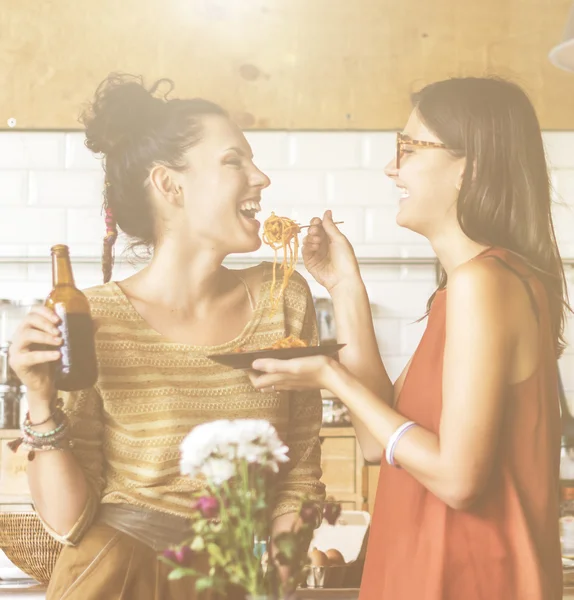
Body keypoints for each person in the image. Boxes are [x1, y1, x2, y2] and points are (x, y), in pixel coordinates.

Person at [8, 74, 325, 600]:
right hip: (116, 577)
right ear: (170, 185)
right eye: (234, 161)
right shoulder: (96, 318)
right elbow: (68, 522)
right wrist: (40, 399)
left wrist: (276, 579)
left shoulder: (283, 297)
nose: (261, 177)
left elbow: (301, 471)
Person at [249, 77, 569, 600]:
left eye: (409, 148)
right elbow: (381, 444)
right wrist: (345, 286)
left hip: (468, 580)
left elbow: (458, 480)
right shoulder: (471, 288)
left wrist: (331, 376)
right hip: (426, 573)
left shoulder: (483, 284)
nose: (391, 167)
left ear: (470, 164)